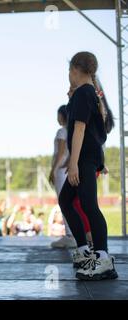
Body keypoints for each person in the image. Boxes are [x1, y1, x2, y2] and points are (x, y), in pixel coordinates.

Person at [58, 51, 118, 281]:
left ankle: (102, 259)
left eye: (69, 71)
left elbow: (81, 129)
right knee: (66, 201)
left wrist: (73, 164)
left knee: (89, 205)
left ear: (74, 69)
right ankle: (85, 251)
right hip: (87, 157)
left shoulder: (85, 92)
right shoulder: (86, 93)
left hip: (84, 158)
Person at [48, 104, 78, 248]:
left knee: (63, 202)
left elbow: (59, 153)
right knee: (70, 202)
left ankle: (70, 235)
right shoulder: (71, 131)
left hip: (60, 170)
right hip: (67, 169)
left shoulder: (61, 131)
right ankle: (73, 233)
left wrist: (53, 170)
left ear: (61, 116)